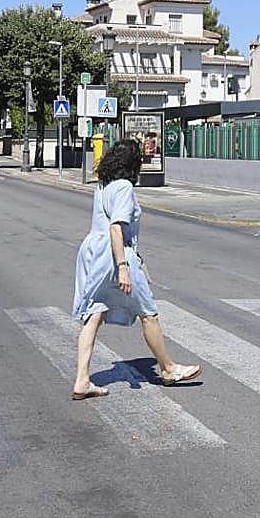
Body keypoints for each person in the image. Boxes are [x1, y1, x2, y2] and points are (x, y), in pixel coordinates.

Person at [70, 138, 201, 400]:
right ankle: (168, 369)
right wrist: (123, 266)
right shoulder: (124, 187)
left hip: (91, 252)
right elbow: (116, 227)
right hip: (114, 253)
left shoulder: (103, 184)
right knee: (148, 312)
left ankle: (82, 381)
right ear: (133, 164)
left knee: (94, 313)